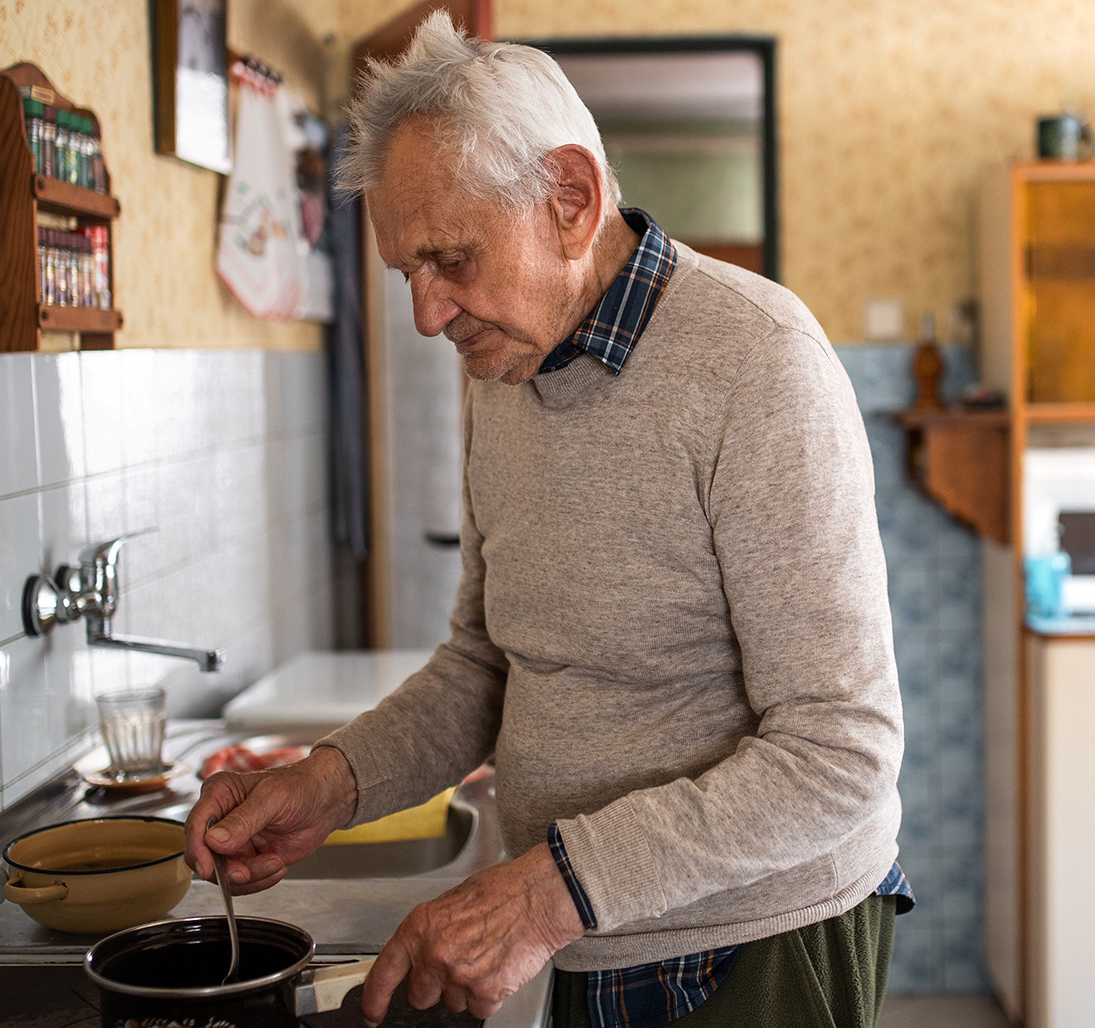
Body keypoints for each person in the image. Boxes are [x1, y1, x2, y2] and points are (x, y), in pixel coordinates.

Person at [185, 13, 909, 1028]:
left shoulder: (761, 365)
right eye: (406, 273)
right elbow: (485, 664)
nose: (428, 315)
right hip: (580, 925)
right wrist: (330, 782)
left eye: (451, 259)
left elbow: (841, 751)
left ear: (571, 200)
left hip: (751, 943)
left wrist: (545, 892)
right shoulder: (504, 370)